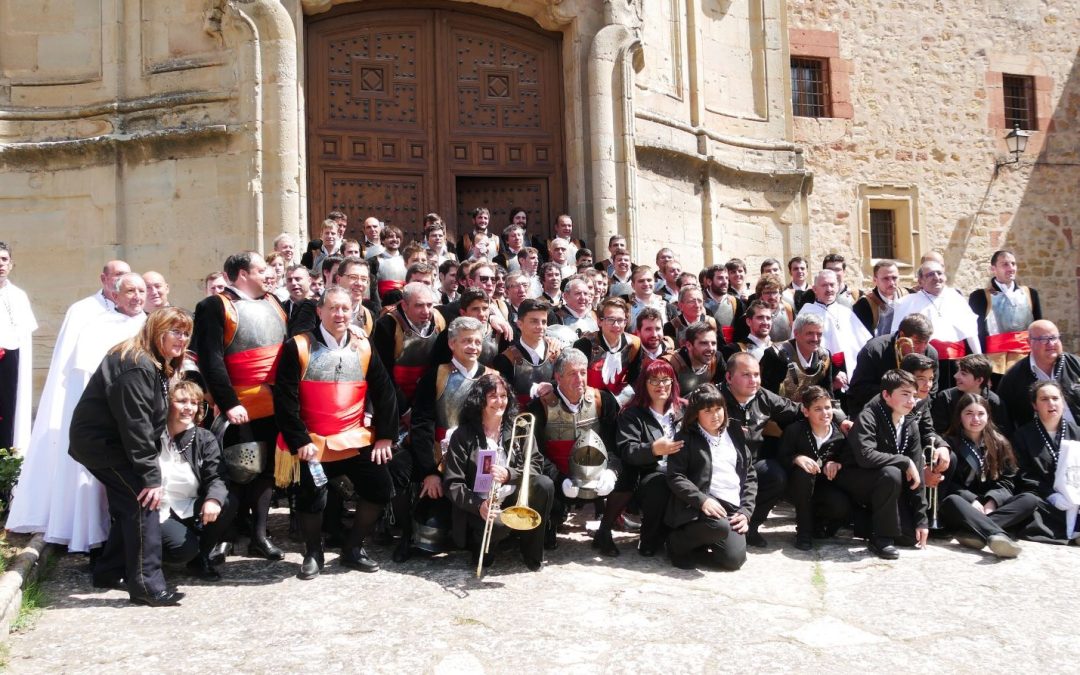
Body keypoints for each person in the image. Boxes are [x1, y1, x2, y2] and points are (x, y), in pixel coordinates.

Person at [8, 272, 147, 552]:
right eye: (130, 291)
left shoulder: (150, 324)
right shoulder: (98, 327)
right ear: (114, 295)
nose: (137, 297)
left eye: (141, 291)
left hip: (141, 421)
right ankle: (104, 548)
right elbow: (83, 378)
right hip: (108, 422)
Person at [67, 307, 192, 606]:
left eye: (186, 333)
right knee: (143, 504)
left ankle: (108, 571)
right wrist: (151, 477)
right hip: (104, 445)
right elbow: (135, 424)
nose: (182, 339)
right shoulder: (136, 365)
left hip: (111, 443)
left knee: (129, 505)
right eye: (175, 331)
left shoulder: (148, 360)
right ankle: (148, 586)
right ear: (156, 329)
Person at [273, 286, 398, 578]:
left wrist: (385, 436)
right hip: (312, 441)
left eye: (345, 308)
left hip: (353, 437)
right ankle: (313, 553)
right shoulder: (298, 346)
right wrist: (299, 439)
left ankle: (353, 549)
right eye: (333, 308)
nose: (340, 314)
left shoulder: (364, 346)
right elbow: (284, 400)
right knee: (311, 497)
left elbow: (384, 392)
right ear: (319, 312)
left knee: (381, 489)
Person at [191, 251, 287, 561]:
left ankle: (259, 535)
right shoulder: (213, 306)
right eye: (261, 270)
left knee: (266, 473)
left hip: (273, 403)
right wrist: (228, 402)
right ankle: (225, 537)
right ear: (243, 274)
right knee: (234, 471)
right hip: (239, 405)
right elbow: (211, 360)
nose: (268, 275)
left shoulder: (273, 302)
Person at [401, 316, 497, 561]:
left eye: (477, 341)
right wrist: (429, 472)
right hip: (440, 457)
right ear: (452, 343)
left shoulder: (492, 377)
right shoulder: (437, 375)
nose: (473, 347)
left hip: (479, 458)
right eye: (466, 341)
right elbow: (422, 424)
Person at [443, 373, 553, 571]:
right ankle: (484, 545)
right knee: (496, 532)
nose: (500, 401)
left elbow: (536, 463)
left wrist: (510, 474)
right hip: (478, 507)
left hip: (511, 499)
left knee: (544, 484)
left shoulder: (520, 428)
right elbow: (453, 483)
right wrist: (479, 506)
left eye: (504, 396)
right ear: (480, 400)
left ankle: (531, 551)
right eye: (493, 396)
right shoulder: (463, 435)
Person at [527, 348, 619, 551]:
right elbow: (535, 454)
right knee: (544, 485)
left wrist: (612, 471)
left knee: (626, 477)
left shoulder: (602, 400)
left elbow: (614, 444)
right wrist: (560, 479)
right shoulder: (540, 407)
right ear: (557, 377)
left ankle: (605, 529)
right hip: (559, 476)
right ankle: (550, 523)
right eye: (572, 374)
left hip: (596, 474)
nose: (580, 379)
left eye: (583, 372)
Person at [834, 370, 931, 559]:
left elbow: (917, 469)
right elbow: (866, 457)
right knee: (892, 473)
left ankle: (865, 522)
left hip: (885, 486)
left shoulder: (910, 423)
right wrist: (904, 461)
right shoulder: (869, 415)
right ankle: (881, 539)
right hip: (856, 478)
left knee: (909, 537)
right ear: (886, 395)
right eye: (904, 394)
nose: (911, 400)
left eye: (913, 395)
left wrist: (922, 519)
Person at [665, 384, 755, 570]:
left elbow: (750, 474)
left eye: (718, 409)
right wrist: (702, 500)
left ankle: (703, 543)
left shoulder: (734, 432)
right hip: (700, 505)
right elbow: (675, 476)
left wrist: (746, 511)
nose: (715, 415)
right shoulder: (686, 437)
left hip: (731, 507)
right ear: (696, 414)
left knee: (734, 560)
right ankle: (676, 543)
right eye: (708, 411)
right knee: (718, 526)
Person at [157, 380, 239, 580]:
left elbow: (217, 476)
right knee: (181, 550)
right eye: (182, 401)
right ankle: (149, 558)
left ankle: (200, 558)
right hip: (158, 508)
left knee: (227, 501)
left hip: (190, 504)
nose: (189, 408)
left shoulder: (204, 438)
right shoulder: (152, 435)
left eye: (194, 403)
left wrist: (213, 500)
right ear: (168, 404)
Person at [721, 352, 804, 547]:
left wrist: (839, 418)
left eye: (756, 375)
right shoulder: (714, 396)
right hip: (719, 467)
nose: (753, 381)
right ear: (728, 377)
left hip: (750, 466)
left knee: (776, 475)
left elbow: (799, 410)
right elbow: (682, 408)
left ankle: (751, 525)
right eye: (746, 375)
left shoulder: (763, 397)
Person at [939, 393, 1033, 557]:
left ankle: (974, 532)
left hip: (991, 506)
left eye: (981, 414)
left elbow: (1008, 481)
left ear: (988, 416)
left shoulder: (1000, 443)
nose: (975, 419)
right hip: (963, 506)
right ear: (959, 416)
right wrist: (971, 500)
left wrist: (992, 502)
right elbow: (947, 483)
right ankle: (998, 536)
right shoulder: (948, 443)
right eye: (969, 413)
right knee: (951, 501)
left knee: (1030, 499)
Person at [616, 360, 685, 556]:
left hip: (683, 472)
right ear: (643, 384)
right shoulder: (632, 414)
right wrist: (653, 449)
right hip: (647, 476)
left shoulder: (685, 409)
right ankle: (650, 538)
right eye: (653, 380)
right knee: (661, 480)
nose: (661, 385)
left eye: (665, 380)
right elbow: (627, 450)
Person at [778, 386, 848, 550]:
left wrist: (836, 463)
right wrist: (796, 458)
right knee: (804, 472)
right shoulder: (795, 431)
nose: (825, 413)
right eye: (818, 409)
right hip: (796, 487)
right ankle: (803, 532)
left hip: (822, 487)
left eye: (828, 408)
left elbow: (846, 458)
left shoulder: (839, 436)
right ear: (806, 411)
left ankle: (820, 525)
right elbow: (781, 457)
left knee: (841, 505)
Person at [890, 260, 981, 384]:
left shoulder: (956, 298)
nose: (936, 278)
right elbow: (898, 338)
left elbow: (971, 332)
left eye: (939, 273)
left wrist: (979, 359)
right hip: (923, 364)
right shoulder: (906, 302)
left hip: (957, 362)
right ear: (920, 281)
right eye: (930, 274)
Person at [1012, 380, 1080, 544]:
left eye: (1055, 398)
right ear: (1035, 405)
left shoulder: (1077, 432)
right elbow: (1024, 473)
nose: (1051, 403)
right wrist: (1051, 495)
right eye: (1044, 399)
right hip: (1045, 498)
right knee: (1030, 504)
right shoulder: (1023, 435)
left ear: (1062, 401)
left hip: (1077, 497)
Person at [371, 282, 445, 415]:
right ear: (404, 305)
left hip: (427, 398)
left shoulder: (439, 321)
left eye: (429, 305)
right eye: (419, 305)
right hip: (394, 401)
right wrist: (404, 410)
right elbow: (384, 374)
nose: (426, 311)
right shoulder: (387, 325)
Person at [848, 313, 940, 414]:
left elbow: (932, 392)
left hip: (915, 412)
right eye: (917, 342)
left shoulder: (931, 353)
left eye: (926, 342)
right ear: (902, 335)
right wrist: (897, 395)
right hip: (876, 411)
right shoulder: (875, 350)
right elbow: (859, 387)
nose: (922, 348)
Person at [796, 269, 871, 393]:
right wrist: (833, 373)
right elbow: (803, 349)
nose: (829, 289)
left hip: (849, 374)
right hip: (821, 375)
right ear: (815, 289)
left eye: (832, 285)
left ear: (837, 287)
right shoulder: (806, 313)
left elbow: (862, 343)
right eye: (824, 285)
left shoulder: (845, 312)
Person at [969, 250, 1042, 376]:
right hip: (994, 361)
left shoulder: (1031, 294)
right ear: (993, 269)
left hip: (1025, 359)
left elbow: (1038, 328)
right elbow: (975, 332)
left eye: (1013, 264)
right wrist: (980, 365)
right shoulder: (980, 297)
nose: (1011, 268)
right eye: (1005, 264)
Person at [996, 320, 1080, 430]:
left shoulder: (1076, 365)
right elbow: (1003, 419)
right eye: (1044, 339)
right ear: (1029, 342)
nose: (1051, 343)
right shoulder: (1013, 378)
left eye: (1054, 338)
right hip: (1039, 444)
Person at [0, 242, 37, 451]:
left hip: (11, 362)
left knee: (10, 413)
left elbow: (23, 336)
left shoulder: (19, 296)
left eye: (4, 259)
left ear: (11, 264)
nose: (0, 264)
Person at [573, 297, 641, 407]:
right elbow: (575, 379)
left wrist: (619, 400)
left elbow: (635, 379)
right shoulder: (584, 345)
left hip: (618, 403)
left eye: (620, 320)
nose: (616, 325)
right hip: (586, 403)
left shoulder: (634, 344)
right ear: (599, 321)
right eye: (610, 320)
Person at [493, 299, 561, 407]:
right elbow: (504, 397)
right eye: (534, 321)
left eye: (544, 322)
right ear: (520, 324)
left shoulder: (556, 353)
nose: (540, 327)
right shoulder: (506, 359)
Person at [760, 313, 839, 402]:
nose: (815, 339)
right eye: (810, 333)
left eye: (819, 334)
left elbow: (827, 393)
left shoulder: (824, 356)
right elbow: (767, 396)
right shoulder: (775, 355)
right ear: (796, 333)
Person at [930, 353, 1010, 434]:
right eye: (958, 371)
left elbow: (1002, 433)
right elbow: (938, 432)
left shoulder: (995, 402)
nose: (955, 376)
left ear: (979, 380)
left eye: (963, 374)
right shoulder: (946, 398)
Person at [664, 322, 723, 395]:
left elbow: (725, 388)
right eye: (704, 343)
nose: (711, 348)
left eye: (713, 343)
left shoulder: (716, 358)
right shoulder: (670, 364)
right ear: (688, 345)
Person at [852, 260, 907, 336]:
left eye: (894, 278)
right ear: (875, 280)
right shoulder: (863, 305)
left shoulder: (908, 296)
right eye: (886, 278)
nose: (891, 283)